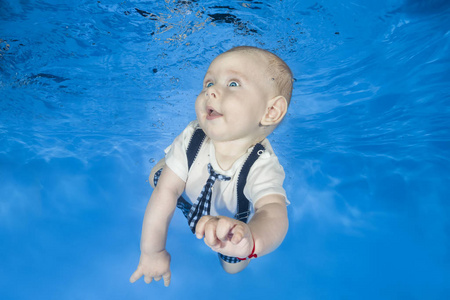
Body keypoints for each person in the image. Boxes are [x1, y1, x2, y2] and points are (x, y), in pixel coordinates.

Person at [130, 46, 293, 287]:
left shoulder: (261, 163)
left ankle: (236, 249)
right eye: (208, 83)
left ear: (270, 111)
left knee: (232, 267)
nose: (211, 91)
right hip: (189, 200)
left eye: (233, 84)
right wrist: (153, 251)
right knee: (160, 179)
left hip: (230, 229)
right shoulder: (193, 135)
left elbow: (273, 212)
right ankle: (175, 173)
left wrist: (251, 240)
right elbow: (166, 191)